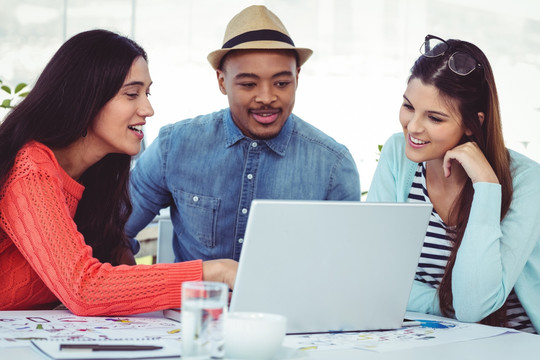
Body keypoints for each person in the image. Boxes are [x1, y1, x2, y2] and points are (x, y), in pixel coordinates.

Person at [0, 29, 237, 316]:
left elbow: (120, 280)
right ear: (87, 97)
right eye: (132, 94)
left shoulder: (98, 177)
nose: (147, 109)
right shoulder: (31, 168)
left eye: (146, 93)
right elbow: (85, 290)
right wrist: (215, 271)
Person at [126, 5, 361, 262]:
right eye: (248, 84)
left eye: (282, 83)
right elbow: (113, 233)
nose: (266, 98)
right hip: (196, 303)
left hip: (287, 303)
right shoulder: (174, 147)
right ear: (222, 81)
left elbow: (345, 265)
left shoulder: (333, 165)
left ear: (298, 77)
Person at [367, 34, 540, 333]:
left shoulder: (528, 180)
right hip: (430, 334)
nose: (413, 127)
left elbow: (474, 306)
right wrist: (445, 304)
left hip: (510, 341)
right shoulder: (397, 154)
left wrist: (486, 185)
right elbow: (371, 272)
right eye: (409, 106)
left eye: (435, 118)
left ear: (473, 124)